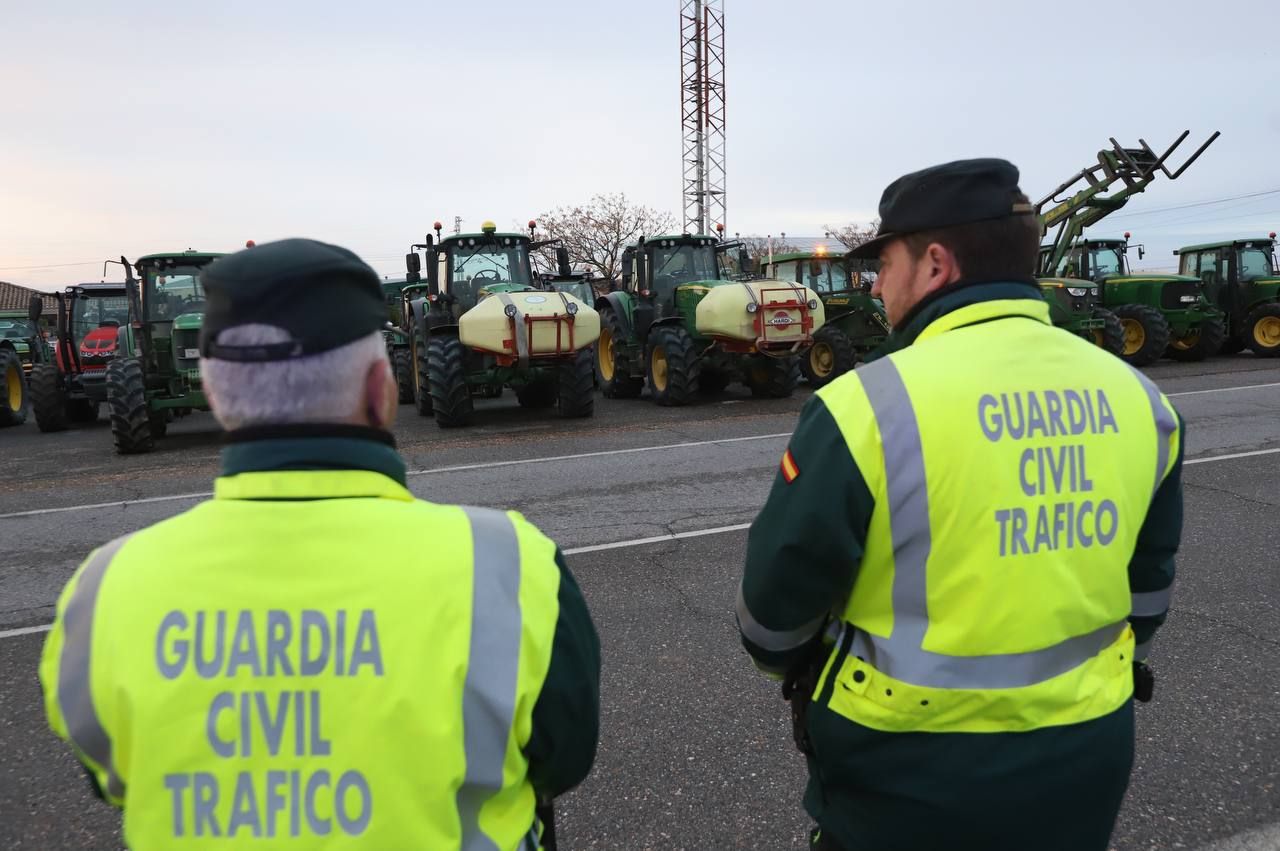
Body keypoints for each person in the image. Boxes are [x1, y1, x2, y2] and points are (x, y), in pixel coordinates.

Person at [39, 238, 601, 850]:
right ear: (381, 387)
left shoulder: (104, 590)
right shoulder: (510, 567)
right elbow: (563, 760)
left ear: (217, 391)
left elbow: (111, 776)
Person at [735, 159, 1183, 851]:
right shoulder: (1140, 400)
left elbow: (772, 619)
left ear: (936, 265)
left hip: (908, 776)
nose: (876, 284)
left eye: (884, 263)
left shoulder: (865, 406)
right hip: (1087, 756)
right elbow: (1147, 595)